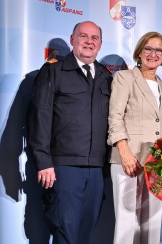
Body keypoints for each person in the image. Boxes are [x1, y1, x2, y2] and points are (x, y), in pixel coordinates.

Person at [28, 21, 112, 244]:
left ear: (101, 44)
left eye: (94, 38)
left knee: (86, 231)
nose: (89, 41)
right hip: (63, 168)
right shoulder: (54, 70)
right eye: (83, 36)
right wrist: (44, 161)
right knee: (65, 232)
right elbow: (39, 117)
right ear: (72, 39)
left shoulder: (106, 76)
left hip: (95, 169)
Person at [107, 31, 162, 244]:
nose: (153, 54)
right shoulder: (124, 78)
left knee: (153, 224)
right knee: (127, 223)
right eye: (148, 48)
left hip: (157, 162)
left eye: (159, 50)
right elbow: (115, 117)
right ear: (140, 52)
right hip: (129, 158)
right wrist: (124, 152)